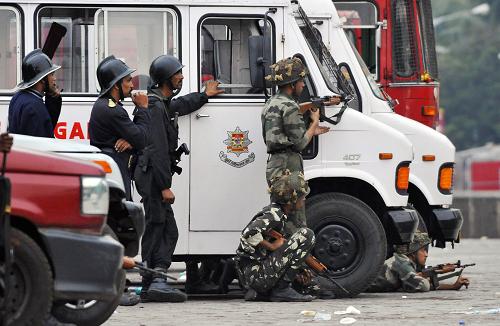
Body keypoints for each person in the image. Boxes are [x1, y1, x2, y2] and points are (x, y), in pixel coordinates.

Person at [134, 54, 223, 302]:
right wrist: (164, 186)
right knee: (162, 228)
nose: (182, 76)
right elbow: (158, 151)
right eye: (178, 74)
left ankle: (152, 280)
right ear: (165, 78)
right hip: (153, 178)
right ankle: (156, 280)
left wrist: (204, 95)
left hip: (153, 176)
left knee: (160, 227)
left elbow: (181, 105)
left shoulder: (161, 102)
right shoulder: (154, 106)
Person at [261, 57, 337, 234]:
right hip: (289, 164)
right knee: (296, 220)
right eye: (301, 81)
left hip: (274, 165)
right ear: (292, 84)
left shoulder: (271, 103)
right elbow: (300, 143)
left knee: (280, 215)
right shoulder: (290, 107)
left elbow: (282, 126)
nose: (303, 85)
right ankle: (294, 257)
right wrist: (314, 123)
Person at [235, 170, 316, 302]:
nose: (304, 199)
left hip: (257, 275)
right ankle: (282, 290)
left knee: (311, 286)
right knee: (307, 235)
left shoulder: (279, 214)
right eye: (302, 196)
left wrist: (297, 271)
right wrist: (272, 246)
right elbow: (247, 234)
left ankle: (267, 292)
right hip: (256, 276)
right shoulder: (274, 214)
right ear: (291, 200)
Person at [88, 55, 150, 200]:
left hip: (113, 169)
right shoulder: (112, 109)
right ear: (116, 85)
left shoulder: (106, 105)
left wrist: (130, 141)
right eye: (128, 80)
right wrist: (143, 108)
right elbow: (142, 139)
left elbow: (134, 136)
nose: (132, 85)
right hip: (115, 170)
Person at [366, 231, 470, 292]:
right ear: (412, 251)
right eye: (423, 250)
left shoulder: (403, 261)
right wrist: (431, 275)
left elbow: (419, 281)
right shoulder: (401, 264)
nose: (426, 254)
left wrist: (453, 286)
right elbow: (423, 286)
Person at [8, 49, 62, 137]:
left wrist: (53, 99)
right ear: (42, 79)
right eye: (51, 74)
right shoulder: (34, 107)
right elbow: (43, 144)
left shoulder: (18, 97)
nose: (54, 78)